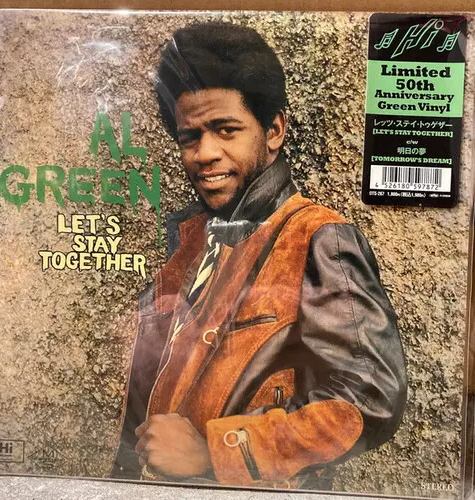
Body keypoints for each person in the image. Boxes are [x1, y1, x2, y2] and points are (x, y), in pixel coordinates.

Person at [111, 21, 407, 489]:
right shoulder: (192, 242)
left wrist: (213, 452)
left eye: (226, 130)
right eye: (189, 137)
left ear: (274, 131)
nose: (205, 153)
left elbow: (370, 398)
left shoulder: (318, 237)